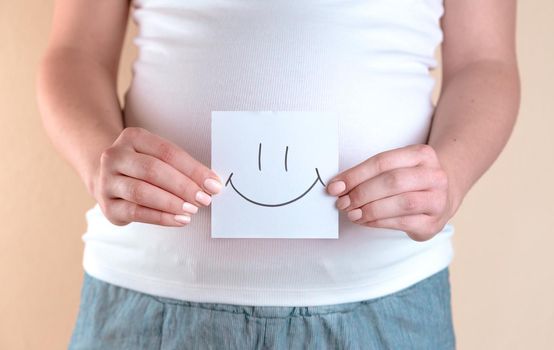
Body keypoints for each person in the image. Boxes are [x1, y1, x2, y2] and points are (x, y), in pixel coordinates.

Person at [36, 0, 520, 348]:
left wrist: (452, 172)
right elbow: (75, 53)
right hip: (148, 297)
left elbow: (486, 61)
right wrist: (98, 157)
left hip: (387, 299)